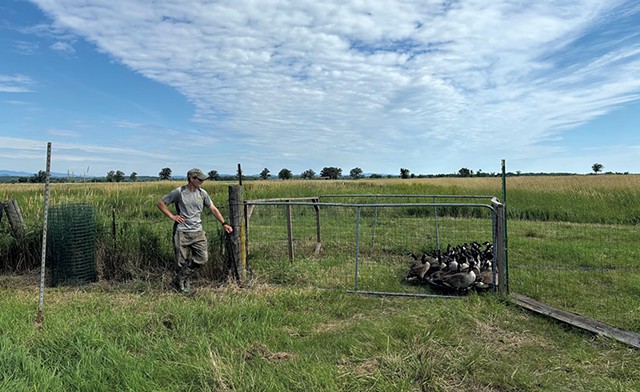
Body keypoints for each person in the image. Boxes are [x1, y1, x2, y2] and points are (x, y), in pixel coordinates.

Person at [156, 168, 233, 293]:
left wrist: (224, 223)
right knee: (181, 262)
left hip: (198, 231)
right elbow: (160, 203)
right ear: (192, 179)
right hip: (182, 232)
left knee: (203, 259)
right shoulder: (179, 192)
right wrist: (172, 216)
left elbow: (212, 208)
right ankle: (183, 288)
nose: (202, 181)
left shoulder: (202, 193)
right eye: (200, 179)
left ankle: (178, 279)